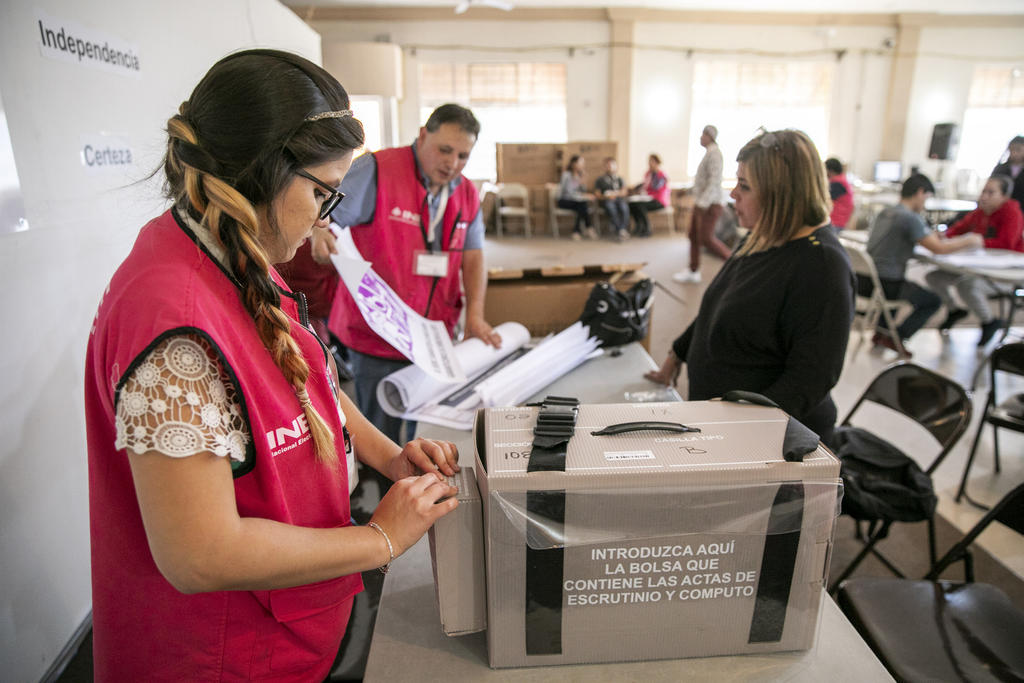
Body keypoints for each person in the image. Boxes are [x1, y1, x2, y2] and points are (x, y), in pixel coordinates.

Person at [84, 49, 460, 681]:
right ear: (262, 172)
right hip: (222, 654)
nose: (324, 216)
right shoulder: (176, 327)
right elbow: (199, 554)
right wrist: (379, 539)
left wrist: (385, 455)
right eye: (321, 191)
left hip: (286, 625)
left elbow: (303, 383)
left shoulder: (232, 250)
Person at [644, 129, 854, 444]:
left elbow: (809, 381)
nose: (732, 195)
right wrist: (678, 352)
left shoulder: (821, 265)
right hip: (722, 425)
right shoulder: (764, 236)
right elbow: (718, 303)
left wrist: (737, 427)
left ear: (781, 193)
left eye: (744, 186)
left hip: (762, 440)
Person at [313, 104, 502, 446]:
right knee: (375, 432)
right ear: (422, 135)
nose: (452, 163)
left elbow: (473, 257)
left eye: (463, 155)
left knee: (423, 427)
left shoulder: (466, 193)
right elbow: (325, 215)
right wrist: (319, 232)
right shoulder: (377, 170)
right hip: (376, 334)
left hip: (433, 335)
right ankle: (378, 495)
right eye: (445, 150)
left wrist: (475, 316)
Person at [862, 174, 983, 356]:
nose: (926, 203)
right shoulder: (910, 218)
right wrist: (969, 240)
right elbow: (939, 249)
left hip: (866, 279)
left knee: (902, 285)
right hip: (887, 283)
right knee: (932, 300)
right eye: (927, 198)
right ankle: (897, 337)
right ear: (920, 193)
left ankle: (881, 332)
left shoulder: (885, 213)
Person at [924, 174, 1024, 346]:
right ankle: (954, 310)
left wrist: (979, 241)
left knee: (967, 284)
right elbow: (959, 228)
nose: (984, 196)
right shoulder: (980, 212)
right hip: (976, 266)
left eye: (990, 192)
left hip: (1003, 273)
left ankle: (989, 321)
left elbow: (1007, 243)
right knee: (934, 277)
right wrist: (945, 235)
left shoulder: (1012, 213)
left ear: (1004, 196)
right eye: (983, 191)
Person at [675, 125, 731, 283]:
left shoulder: (715, 155)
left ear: (709, 136)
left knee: (706, 238)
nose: (700, 138)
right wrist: (687, 191)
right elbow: (702, 182)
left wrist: (702, 203)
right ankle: (693, 270)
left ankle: (734, 265)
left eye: (703, 134)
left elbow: (714, 182)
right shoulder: (708, 154)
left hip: (710, 204)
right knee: (693, 235)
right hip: (703, 202)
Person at [557, 154, 598, 240]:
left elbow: (582, 190)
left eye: (583, 163)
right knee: (582, 205)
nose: (582, 165)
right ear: (573, 164)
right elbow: (569, 192)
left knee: (581, 206)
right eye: (580, 162)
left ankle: (576, 231)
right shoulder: (566, 175)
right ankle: (588, 227)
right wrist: (584, 196)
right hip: (564, 200)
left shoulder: (580, 175)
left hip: (577, 201)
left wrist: (583, 180)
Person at [629, 153, 670, 237]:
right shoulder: (648, 174)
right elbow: (644, 184)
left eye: (652, 161)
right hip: (648, 198)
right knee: (632, 204)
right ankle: (638, 226)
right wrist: (636, 188)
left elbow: (655, 187)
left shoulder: (661, 175)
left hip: (659, 201)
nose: (650, 163)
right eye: (649, 161)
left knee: (640, 206)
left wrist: (645, 189)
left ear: (657, 163)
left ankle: (647, 228)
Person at [594, 156, 630, 241]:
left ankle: (622, 230)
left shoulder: (620, 179)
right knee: (611, 208)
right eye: (607, 165)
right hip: (607, 201)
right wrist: (606, 196)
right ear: (604, 167)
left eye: (612, 165)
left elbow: (624, 191)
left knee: (624, 208)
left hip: (619, 199)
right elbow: (597, 194)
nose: (610, 167)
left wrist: (616, 194)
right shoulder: (600, 180)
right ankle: (620, 230)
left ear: (616, 166)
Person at [992, 135, 1024, 211]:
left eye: (1018, 150)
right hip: (999, 209)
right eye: (1012, 149)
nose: (1014, 153)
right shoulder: (1000, 169)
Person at [825, 157, 854, 229]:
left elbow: (824, 199)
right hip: (839, 220)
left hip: (836, 222)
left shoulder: (837, 183)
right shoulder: (842, 180)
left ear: (830, 170)